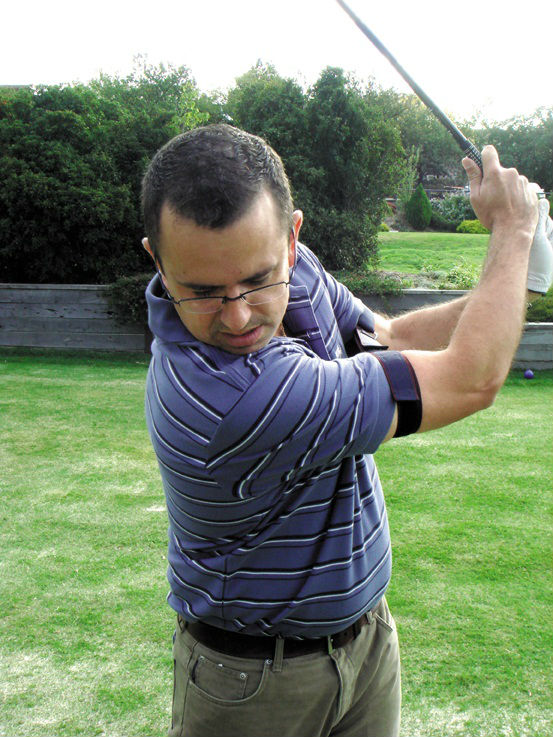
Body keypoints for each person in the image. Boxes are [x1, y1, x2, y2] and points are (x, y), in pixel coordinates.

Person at [140, 123, 545, 737]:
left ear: (292, 239)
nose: (239, 315)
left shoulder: (299, 278)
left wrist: (521, 275)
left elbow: (391, 338)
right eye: (203, 291)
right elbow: (471, 379)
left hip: (367, 641)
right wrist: (512, 232)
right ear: (158, 260)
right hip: (255, 685)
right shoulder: (229, 397)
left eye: (258, 278)